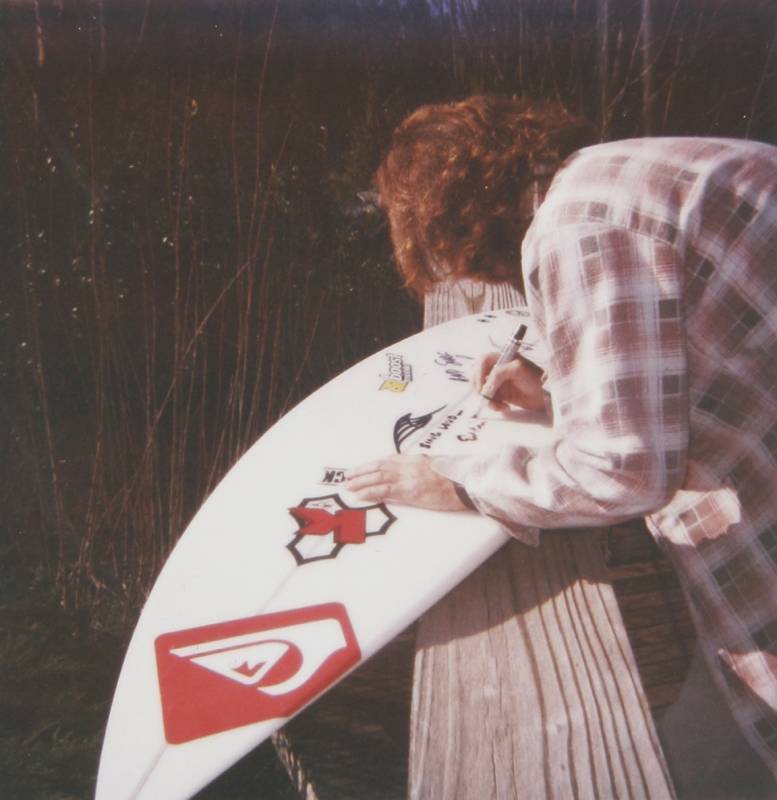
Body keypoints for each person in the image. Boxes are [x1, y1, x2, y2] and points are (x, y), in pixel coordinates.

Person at [345, 95, 777, 784]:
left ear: (448, 216)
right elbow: (694, 339)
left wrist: (460, 481)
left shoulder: (577, 229)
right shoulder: (613, 174)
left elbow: (623, 470)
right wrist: (552, 387)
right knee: (710, 752)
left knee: (712, 760)